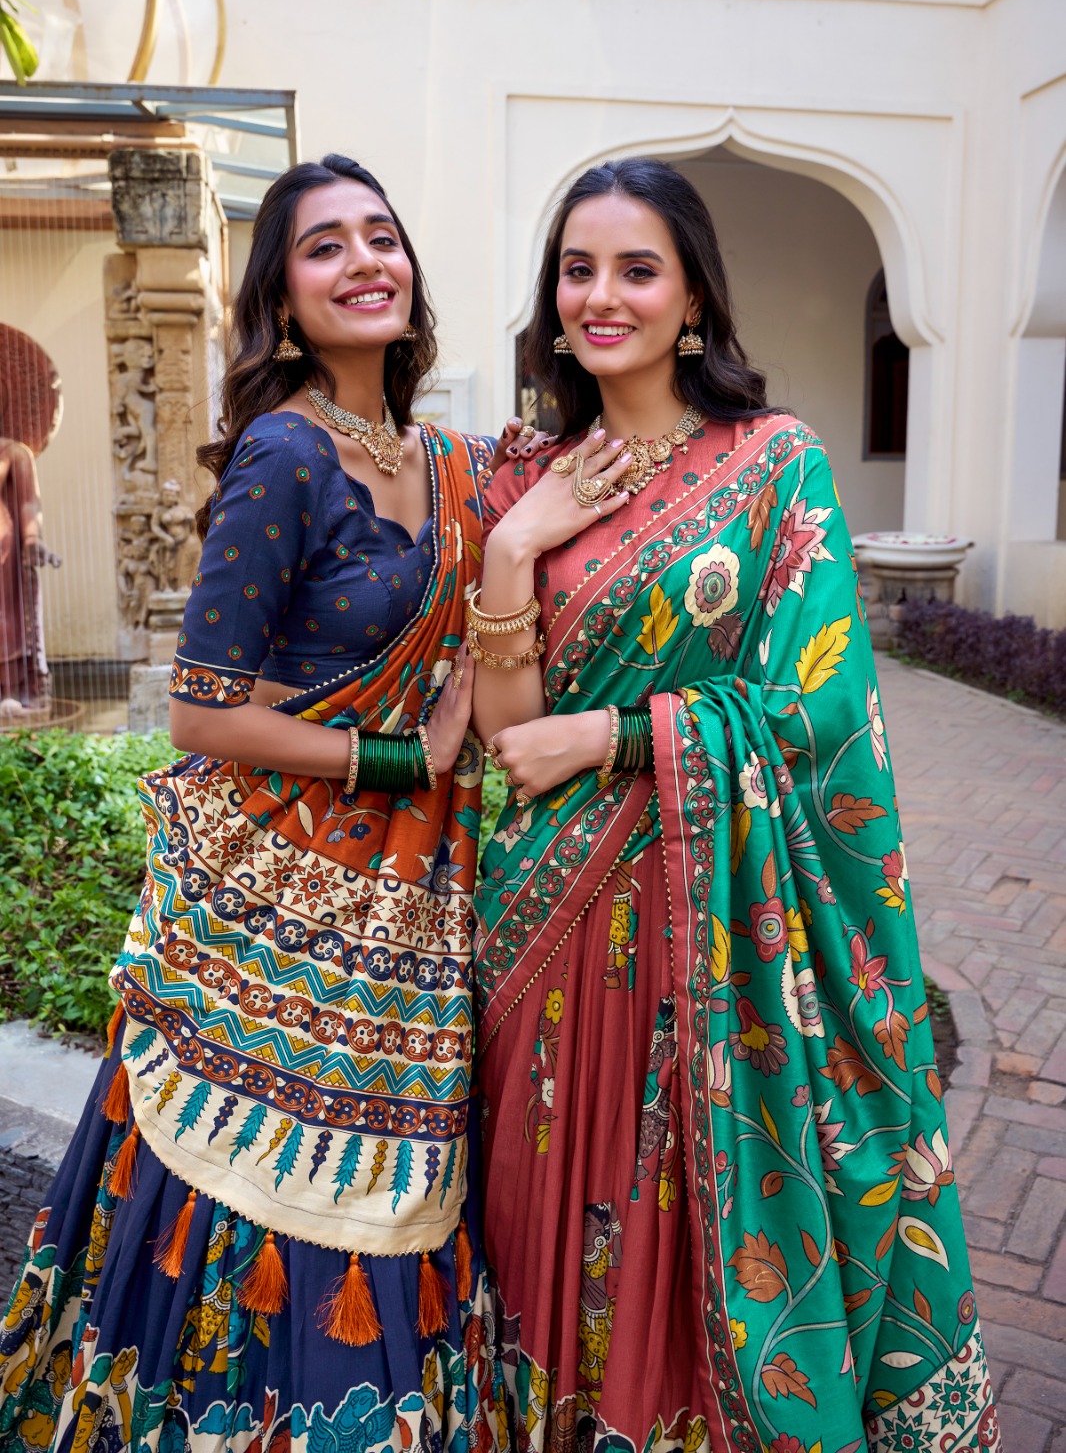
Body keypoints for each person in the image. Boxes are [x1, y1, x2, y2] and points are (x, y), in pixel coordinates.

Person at [0, 154, 545, 1453]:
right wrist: (401, 762)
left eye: (381, 236)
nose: (364, 261)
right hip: (271, 910)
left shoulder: (457, 461)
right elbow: (200, 712)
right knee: (260, 1186)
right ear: (284, 301)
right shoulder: (286, 454)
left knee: (395, 1183)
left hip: (411, 910)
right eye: (324, 246)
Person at [471, 157, 998, 1453]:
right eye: (577, 269)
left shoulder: (773, 465)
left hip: (704, 932)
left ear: (694, 296)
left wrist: (616, 733)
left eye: (636, 269)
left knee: (685, 1232)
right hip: (541, 934)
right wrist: (511, 547)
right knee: (545, 1234)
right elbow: (504, 734)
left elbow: (819, 706)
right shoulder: (527, 470)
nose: (602, 296)